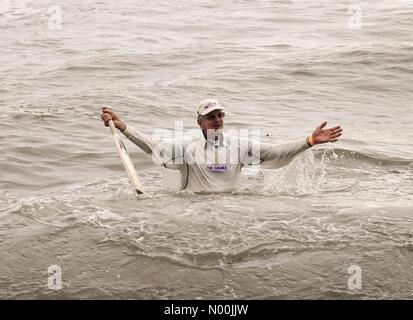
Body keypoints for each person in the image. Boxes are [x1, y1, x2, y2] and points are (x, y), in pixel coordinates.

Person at [101, 99, 342, 193]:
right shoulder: (187, 145)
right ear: (200, 122)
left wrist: (309, 141)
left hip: (230, 209)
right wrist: (123, 127)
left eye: (220, 116)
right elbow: (153, 147)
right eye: (211, 116)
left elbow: (275, 152)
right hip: (192, 208)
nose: (217, 120)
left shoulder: (239, 145)